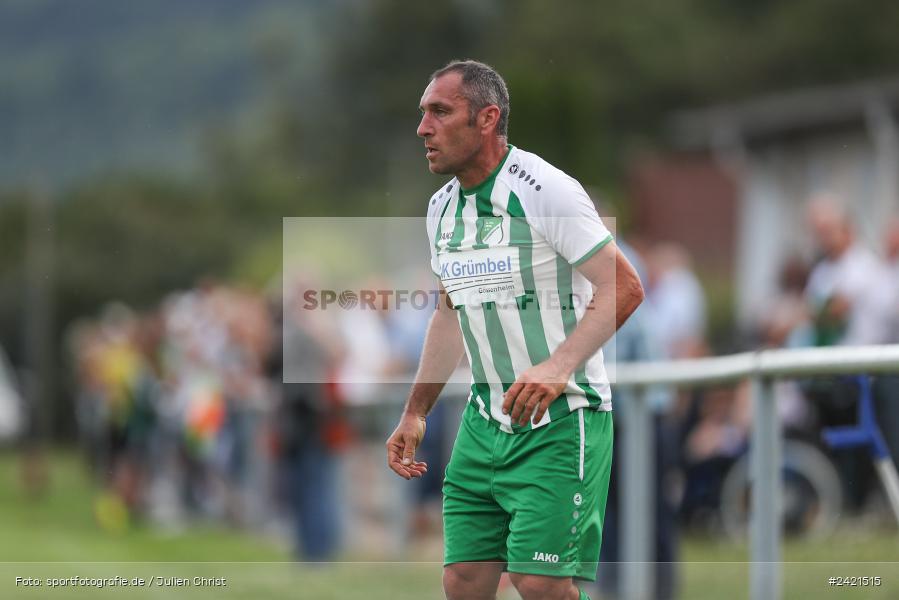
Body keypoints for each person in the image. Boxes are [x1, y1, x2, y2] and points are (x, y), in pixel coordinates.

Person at [385, 60, 644, 600]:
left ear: (487, 119)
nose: (423, 128)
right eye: (422, 114)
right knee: (462, 581)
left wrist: (557, 366)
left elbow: (624, 288)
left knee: (540, 585)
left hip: (562, 420)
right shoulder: (440, 210)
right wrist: (415, 412)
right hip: (483, 424)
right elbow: (449, 312)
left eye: (439, 111)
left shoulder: (548, 190)